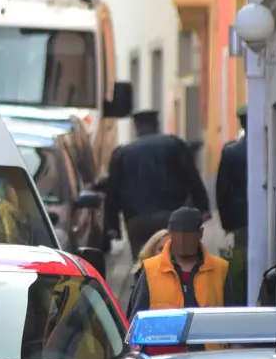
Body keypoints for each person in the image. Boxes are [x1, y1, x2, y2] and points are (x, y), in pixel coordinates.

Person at [103, 110, 211, 261]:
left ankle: (144, 283)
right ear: (157, 125)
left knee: (143, 263)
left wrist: (112, 225)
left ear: (136, 127)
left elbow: (112, 190)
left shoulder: (122, 153)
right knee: (173, 260)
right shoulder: (174, 145)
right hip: (170, 215)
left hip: (136, 218)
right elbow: (192, 177)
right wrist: (203, 207)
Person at [126, 206, 227, 319]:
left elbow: (231, 319)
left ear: (200, 234)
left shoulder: (220, 269)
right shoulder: (150, 270)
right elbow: (136, 322)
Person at [216, 108, 249, 304]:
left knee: (241, 260)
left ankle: (240, 294)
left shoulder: (231, 151)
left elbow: (222, 191)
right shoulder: (272, 145)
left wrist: (226, 223)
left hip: (240, 219)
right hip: (263, 217)